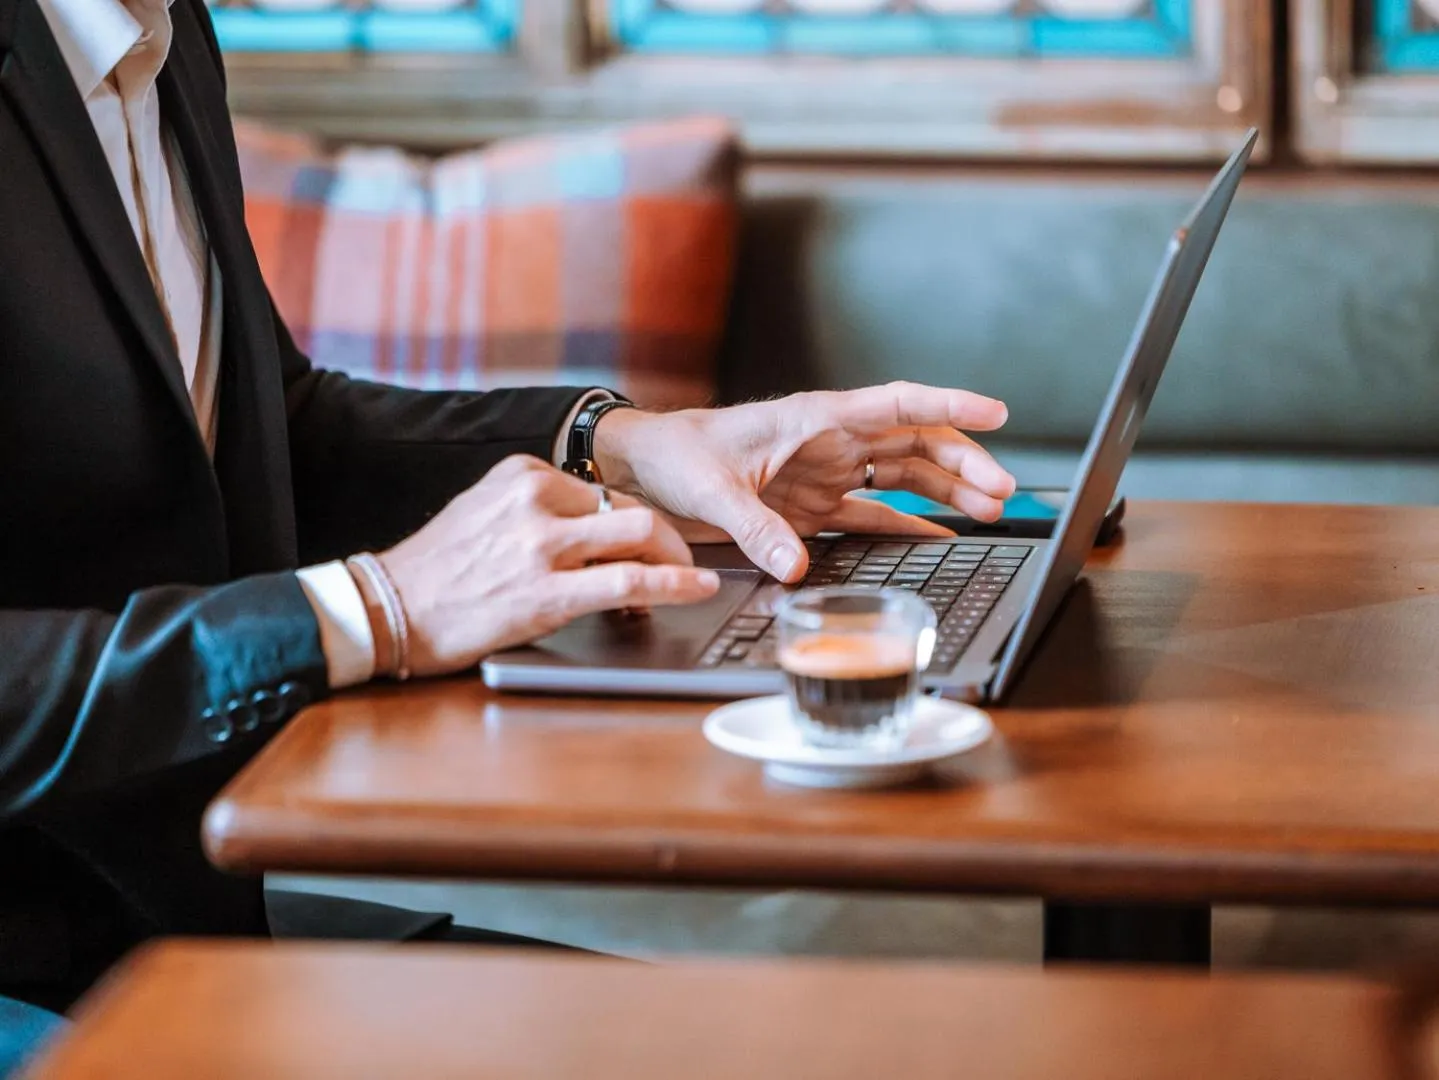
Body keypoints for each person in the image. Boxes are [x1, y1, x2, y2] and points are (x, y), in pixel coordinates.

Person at [0, 0, 1017, 1017]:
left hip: (177, 913)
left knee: (689, 1036)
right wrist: (374, 611)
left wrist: (623, 448)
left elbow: (277, 420)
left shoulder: (165, 31)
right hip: (37, 955)